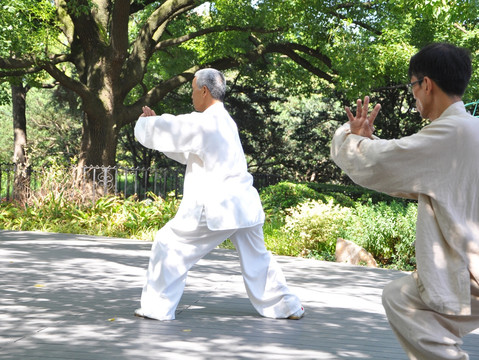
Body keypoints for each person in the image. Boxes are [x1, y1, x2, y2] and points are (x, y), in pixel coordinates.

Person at [330, 42, 479, 359]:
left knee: (404, 301)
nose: (414, 98)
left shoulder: (449, 133)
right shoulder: (468, 130)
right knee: (402, 297)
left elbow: (381, 163)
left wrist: (349, 135)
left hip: (471, 273)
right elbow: (412, 170)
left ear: (426, 84)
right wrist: (370, 142)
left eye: (413, 88)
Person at [133, 68, 304, 321]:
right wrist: (154, 125)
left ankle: (156, 308)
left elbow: (174, 128)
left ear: (204, 90)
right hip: (244, 205)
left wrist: (147, 122)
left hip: (219, 206)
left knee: (168, 244)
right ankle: (287, 306)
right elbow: (189, 149)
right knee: (258, 259)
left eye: (193, 90)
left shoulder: (206, 122)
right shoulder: (225, 122)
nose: (192, 96)